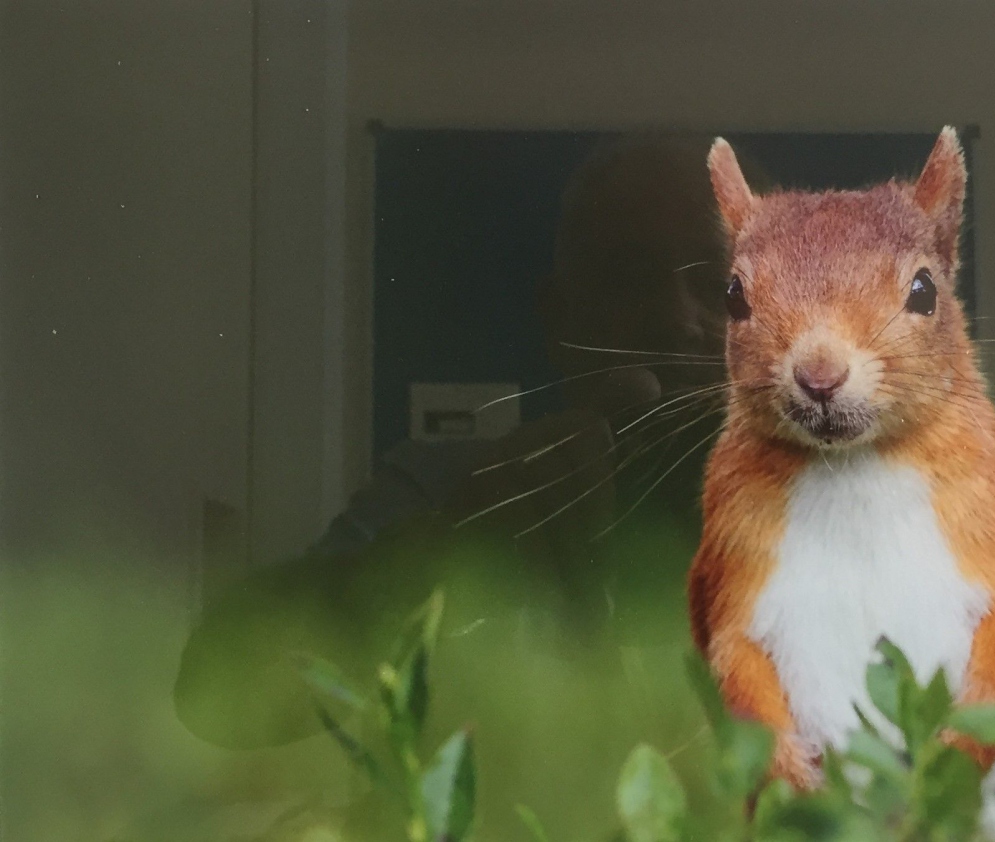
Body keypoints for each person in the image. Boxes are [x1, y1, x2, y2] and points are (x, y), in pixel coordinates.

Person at [174, 134, 770, 748]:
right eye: (626, 281)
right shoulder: (454, 481)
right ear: (559, 319)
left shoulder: (848, 508)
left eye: (720, 285)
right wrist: (462, 539)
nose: (675, 317)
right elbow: (217, 693)